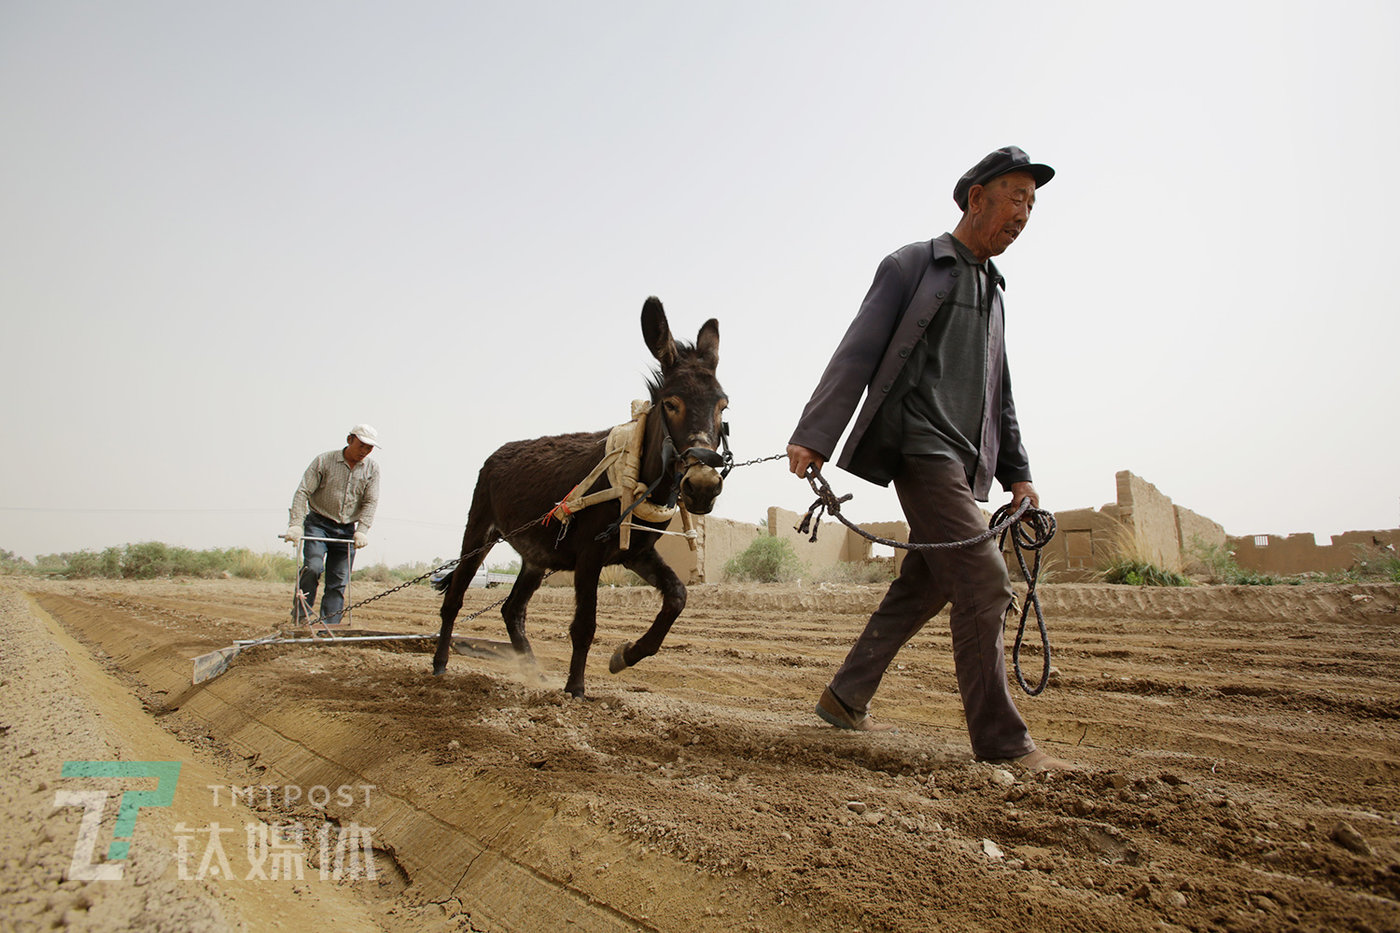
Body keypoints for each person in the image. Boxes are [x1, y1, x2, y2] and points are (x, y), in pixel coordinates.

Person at [787, 146, 1071, 770]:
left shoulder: (993, 292)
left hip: (964, 463)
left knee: (923, 585)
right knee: (983, 580)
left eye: (1033, 204)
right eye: (1017, 198)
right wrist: (814, 433)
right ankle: (1003, 743)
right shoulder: (914, 265)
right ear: (977, 198)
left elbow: (1001, 392)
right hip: (919, 447)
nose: (1025, 214)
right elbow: (857, 350)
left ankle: (845, 697)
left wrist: (1018, 473)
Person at [283, 424, 382, 625]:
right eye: (361, 445)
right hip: (318, 523)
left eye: (369, 448)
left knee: (338, 580)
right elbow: (303, 492)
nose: (364, 451)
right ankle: (301, 617)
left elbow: (370, 501)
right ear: (349, 439)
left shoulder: (372, 469)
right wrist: (295, 524)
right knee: (313, 567)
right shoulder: (324, 461)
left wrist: (362, 530)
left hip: (346, 530)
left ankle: (331, 626)